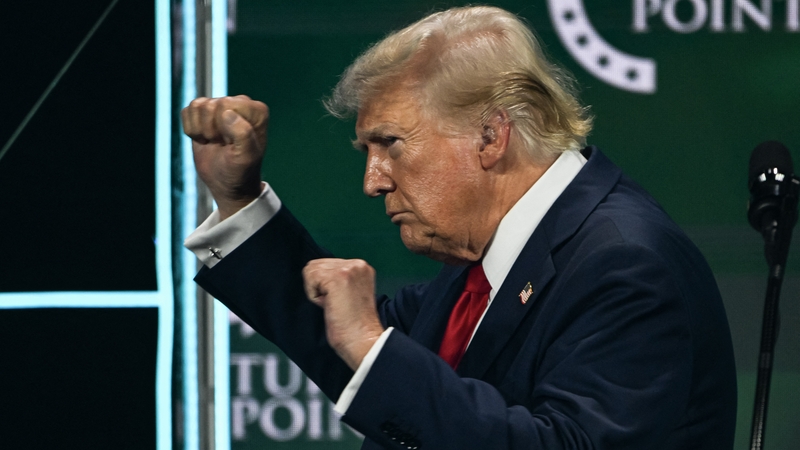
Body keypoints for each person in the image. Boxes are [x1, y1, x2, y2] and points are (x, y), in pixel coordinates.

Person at [182, 6, 736, 450]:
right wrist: (238, 198)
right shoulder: (488, 257)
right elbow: (350, 341)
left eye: (390, 145)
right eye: (366, 151)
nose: (373, 182)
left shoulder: (626, 263)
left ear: (491, 137)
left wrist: (370, 344)